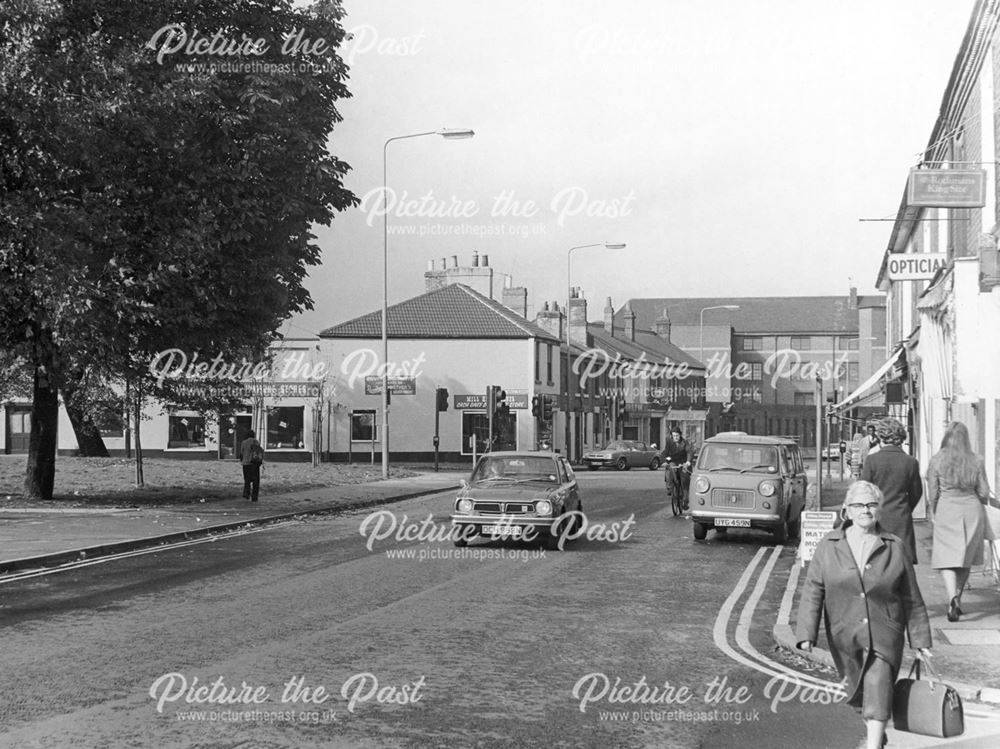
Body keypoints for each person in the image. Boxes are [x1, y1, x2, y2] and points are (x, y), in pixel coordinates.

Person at [796, 480, 932, 749]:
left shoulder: (894, 546)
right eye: (859, 505)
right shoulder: (828, 545)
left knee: (879, 687)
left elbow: (911, 597)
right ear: (847, 510)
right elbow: (813, 589)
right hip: (844, 633)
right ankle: (876, 732)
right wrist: (805, 633)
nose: (866, 510)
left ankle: (872, 744)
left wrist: (921, 641)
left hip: (885, 633)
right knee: (858, 693)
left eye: (871, 504)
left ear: (879, 509)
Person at [926, 421, 993, 622]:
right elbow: (983, 491)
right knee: (966, 556)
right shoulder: (976, 460)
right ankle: (958, 599)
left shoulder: (936, 460)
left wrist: (933, 512)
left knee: (947, 558)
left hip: (947, 508)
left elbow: (933, 491)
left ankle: (952, 597)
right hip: (971, 509)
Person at [860, 417, 923, 564]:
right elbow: (916, 492)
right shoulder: (910, 462)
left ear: (881, 436)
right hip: (901, 517)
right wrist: (906, 507)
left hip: (877, 517)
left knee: (878, 562)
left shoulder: (872, 460)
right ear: (900, 438)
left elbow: (863, 490)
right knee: (901, 563)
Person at [662, 428, 691, 506]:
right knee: (669, 468)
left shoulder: (685, 442)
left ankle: (685, 501)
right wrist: (664, 461)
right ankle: (670, 487)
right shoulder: (669, 442)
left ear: (680, 435)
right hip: (673, 461)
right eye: (674, 435)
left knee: (685, 480)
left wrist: (688, 461)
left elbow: (688, 452)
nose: (676, 437)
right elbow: (665, 452)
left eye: (677, 435)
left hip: (683, 462)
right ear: (672, 436)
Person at [239, 429, 264, 501]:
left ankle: (246, 493)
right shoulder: (256, 442)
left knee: (247, 480)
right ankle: (254, 496)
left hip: (246, 464)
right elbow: (259, 452)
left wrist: (242, 460)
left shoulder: (244, 442)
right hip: (254, 463)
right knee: (256, 481)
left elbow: (241, 453)